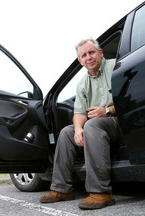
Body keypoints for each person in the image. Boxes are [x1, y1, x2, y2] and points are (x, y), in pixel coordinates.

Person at [40, 38, 121, 210]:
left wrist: (106, 111)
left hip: (120, 122)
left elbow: (129, 97)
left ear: (100, 53)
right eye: (84, 55)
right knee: (66, 132)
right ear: (80, 60)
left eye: (91, 52)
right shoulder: (82, 84)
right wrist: (77, 129)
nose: (88, 57)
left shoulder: (115, 66)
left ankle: (101, 193)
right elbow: (79, 113)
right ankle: (61, 189)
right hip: (97, 127)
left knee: (92, 125)